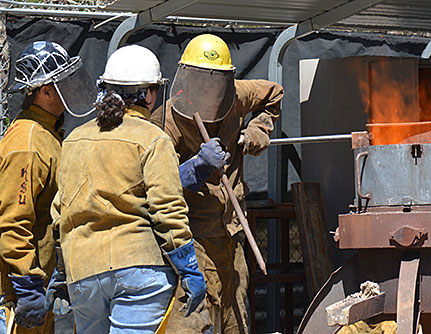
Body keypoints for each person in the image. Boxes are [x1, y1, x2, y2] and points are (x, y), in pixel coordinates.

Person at [47, 44, 206, 334]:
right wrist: (189, 268)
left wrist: (60, 273)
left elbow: (60, 213)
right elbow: (167, 209)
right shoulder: (153, 139)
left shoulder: (73, 140)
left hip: (82, 271)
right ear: (147, 94)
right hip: (140, 270)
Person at [150, 33, 284, 334]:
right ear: (187, 77)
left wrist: (258, 128)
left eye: (215, 81)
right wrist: (195, 167)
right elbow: (157, 185)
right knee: (192, 321)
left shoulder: (236, 96)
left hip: (233, 233)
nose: (207, 88)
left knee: (235, 319)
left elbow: (274, 92)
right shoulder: (167, 121)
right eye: (200, 80)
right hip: (192, 238)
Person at [0, 41, 94, 334]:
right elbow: (12, 220)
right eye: (63, 82)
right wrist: (26, 285)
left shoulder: (46, 133)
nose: (71, 88)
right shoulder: (28, 144)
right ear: (45, 90)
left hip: (39, 280)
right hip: (16, 293)